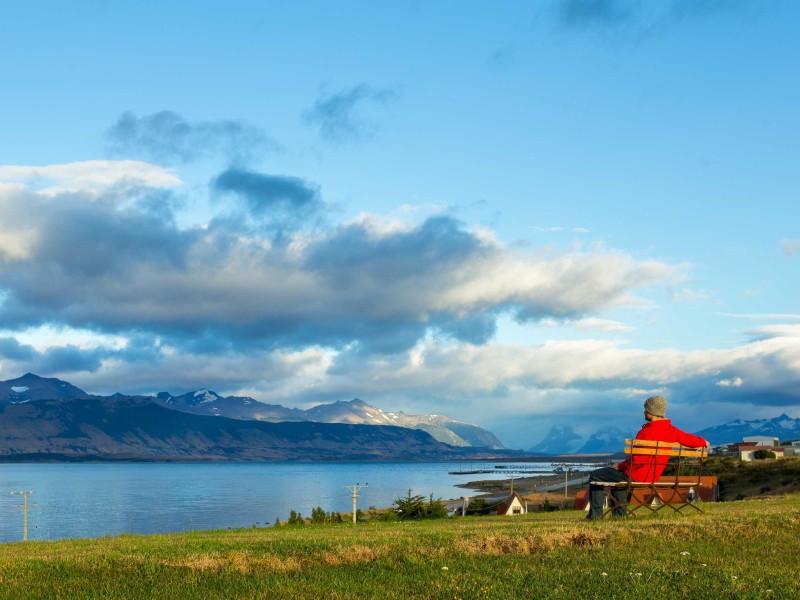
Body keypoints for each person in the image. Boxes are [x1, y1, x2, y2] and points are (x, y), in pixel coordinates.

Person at [586, 395, 709, 520]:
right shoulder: (671, 430)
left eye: (646, 409)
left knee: (596, 475)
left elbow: (637, 461)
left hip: (637, 475)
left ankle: (595, 516)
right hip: (652, 476)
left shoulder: (645, 432)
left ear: (652, 412)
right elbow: (688, 439)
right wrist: (703, 442)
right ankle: (619, 515)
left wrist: (619, 465)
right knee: (620, 480)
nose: (644, 412)